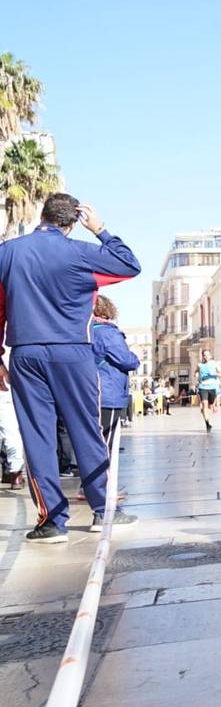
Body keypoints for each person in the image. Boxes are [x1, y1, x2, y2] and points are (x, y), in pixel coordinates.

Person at [0, 194, 141, 542]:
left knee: (38, 436)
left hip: (25, 353)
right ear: (74, 221)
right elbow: (129, 265)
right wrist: (102, 230)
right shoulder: (79, 252)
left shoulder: (8, 252)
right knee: (86, 430)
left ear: (42, 214)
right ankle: (102, 509)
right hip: (72, 351)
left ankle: (51, 522)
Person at [92, 295, 140, 437]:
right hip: (108, 393)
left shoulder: (82, 330)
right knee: (105, 441)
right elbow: (127, 360)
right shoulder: (108, 333)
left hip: (88, 391)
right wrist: (135, 357)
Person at [196, 349, 220, 432]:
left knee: (211, 404)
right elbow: (195, 373)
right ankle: (207, 424)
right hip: (203, 387)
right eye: (204, 355)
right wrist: (197, 376)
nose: (206, 357)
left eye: (207, 355)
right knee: (204, 405)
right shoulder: (199, 365)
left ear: (210, 356)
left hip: (212, 387)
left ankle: (212, 405)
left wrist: (212, 375)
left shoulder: (214, 364)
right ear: (202, 356)